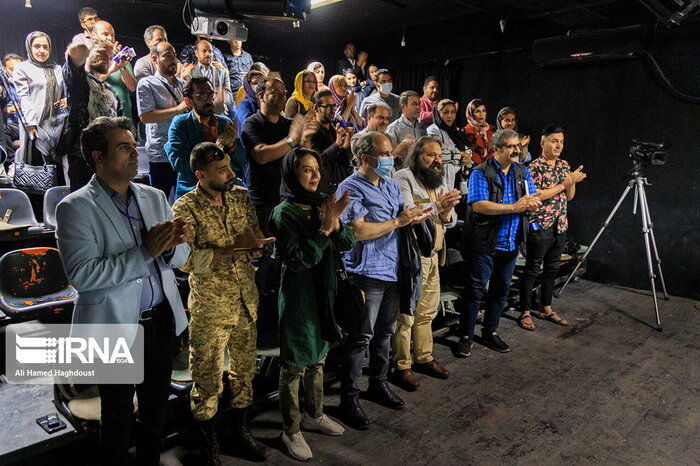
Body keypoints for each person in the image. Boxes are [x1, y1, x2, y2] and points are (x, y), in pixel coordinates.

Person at [55, 116, 190, 465]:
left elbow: (179, 256)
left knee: (156, 410)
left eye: (134, 145)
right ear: (98, 158)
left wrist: (174, 247)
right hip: (114, 327)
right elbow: (84, 276)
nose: (135, 153)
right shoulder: (74, 207)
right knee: (116, 417)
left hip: (159, 321)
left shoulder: (154, 195)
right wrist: (146, 251)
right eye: (123, 147)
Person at [172, 142, 273, 463]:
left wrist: (258, 246)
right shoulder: (185, 208)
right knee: (207, 378)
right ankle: (207, 445)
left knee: (244, 372)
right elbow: (183, 260)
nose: (231, 174)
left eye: (230, 167)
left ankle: (239, 433)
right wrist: (232, 248)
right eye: (222, 170)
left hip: (245, 299)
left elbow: (253, 235)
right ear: (201, 175)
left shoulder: (240, 196)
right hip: (211, 306)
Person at [335, 131, 431, 430]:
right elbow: (359, 232)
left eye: (391, 153)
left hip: (393, 268)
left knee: (385, 332)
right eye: (385, 154)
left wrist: (415, 214)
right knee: (360, 337)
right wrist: (399, 221)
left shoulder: (389, 184)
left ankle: (377, 383)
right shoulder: (349, 189)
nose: (390, 159)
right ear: (365, 158)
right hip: (366, 272)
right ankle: (348, 398)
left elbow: (402, 214)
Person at [269, 147, 354, 461]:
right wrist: (324, 230)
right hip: (298, 297)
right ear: (293, 174)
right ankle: (290, 430)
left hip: (324, 293)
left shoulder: (322, 204)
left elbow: (347, 242)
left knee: (318, 358)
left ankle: (314, 414)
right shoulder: (283, 213)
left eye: (317, 169)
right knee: (293, 366)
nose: (315, 175)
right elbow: (300, 259)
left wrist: (335, 224)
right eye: (306, 169)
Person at [454, 129, 542, 357]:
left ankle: (490, 331)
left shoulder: (522, 171)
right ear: (497, 149)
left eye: (518, 146)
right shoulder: (480, 173)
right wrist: (515, 207)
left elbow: (531, 198)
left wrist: (532, 204)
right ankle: (466, 335)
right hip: (485, 244)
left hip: (511, 243)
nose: (517, 150)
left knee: (501, 290)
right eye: (511, 146)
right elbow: (479, 205)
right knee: (475, 291)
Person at [391, 136, 460, 391]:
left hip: (433, 255)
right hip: (413, 256)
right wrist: (438, 205)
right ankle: (401, 365)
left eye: (439, 156)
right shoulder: (403, 178)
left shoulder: (438, 180)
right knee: (407, 314)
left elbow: (450, 220)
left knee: (428, 312)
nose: (436, 160)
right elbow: (410, 213)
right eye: (430, 155)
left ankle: (423, 357)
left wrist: (446, 210)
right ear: (416, 156)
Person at [518, 124, 586, 331]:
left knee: (552, 268)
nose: (559, 145)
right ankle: (525, 311)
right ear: (542, 142)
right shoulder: (534, 167)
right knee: (532, 268)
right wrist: (566, 183)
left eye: (561, 142)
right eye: (554, 141)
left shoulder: (564, 165)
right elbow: (537, 196)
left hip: (560, 225)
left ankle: (546, 307)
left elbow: (569, 196)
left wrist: (571, 182)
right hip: (540, 225)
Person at [240, 77, 312, 233]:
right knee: (265, 251)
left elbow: (301, 157)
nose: (282, 96)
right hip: (264, 202)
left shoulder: (288, 124)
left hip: (288, 200)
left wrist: (305, 138)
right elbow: (262, 155)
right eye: (276, 92)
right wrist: (292, 139)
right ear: (260, 96)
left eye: (284, 93)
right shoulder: (252, 124)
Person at [62, 39, 122, 191]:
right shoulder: (79, 79)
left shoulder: (109, 89)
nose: (106, 58)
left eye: (109, 56)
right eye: (101, 53)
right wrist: (89, 45)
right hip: (83, 157)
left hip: (108, 156)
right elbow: (76, 53)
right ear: (89, 53)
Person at [165, 76, 239, 198]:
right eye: (202, 96)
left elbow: (240, 161)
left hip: (224, 192)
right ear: (189, 101)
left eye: (211, 95)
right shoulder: (181, 124)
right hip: (192, 192)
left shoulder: (224, 123)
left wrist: (231, 146)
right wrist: (217, 148)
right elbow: (179, 163)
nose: (209, 100)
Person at [136, 42, 187, 198]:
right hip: (161, 154)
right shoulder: (147, 83)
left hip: (182, 152)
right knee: (160, 202)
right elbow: (146, 116)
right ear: (154, 59)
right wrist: (178, 110)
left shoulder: (183, 85)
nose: (173, 60)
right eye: (167, 56)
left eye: (174, 56)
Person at [13, 32, 67, 177]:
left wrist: (67, 99)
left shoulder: (57, 69)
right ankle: (36, 199)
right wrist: (30, 123)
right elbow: (24, 97)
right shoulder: (22, 68)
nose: (41, 50)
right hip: (34, 123)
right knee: (36, 167)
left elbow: (65, 90)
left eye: (45, 47)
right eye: (37, 46)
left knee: (57, 166)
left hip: (56, 124)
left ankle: (57, 197)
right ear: (29, 48)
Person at [91, 21, 137, 122]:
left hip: (125, 118)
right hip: (102, 119)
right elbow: (92, 83)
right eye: (105, 34)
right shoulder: (89, 59)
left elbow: (132, 88)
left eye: (112, 35)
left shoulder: (122, 59)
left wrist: (122, 67)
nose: (110, 38)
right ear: (94, 35)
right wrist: (111, 70)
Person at [310, 89, 353, 195]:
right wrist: (337, 145)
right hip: (323, 191)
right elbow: (317, 161)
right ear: (316, 108)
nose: (333, 109)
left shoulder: (336, 129)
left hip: (343, 187)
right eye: (328, 106)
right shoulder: (310, 131)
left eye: (334, 106)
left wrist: (345, 147)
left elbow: (346, 162)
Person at [426, 98, 472, 189]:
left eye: (453, 112)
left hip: (459, 177)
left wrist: (467, 157)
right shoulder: (433, 131)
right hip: (441, 177)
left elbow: (468, 151)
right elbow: (438, 154)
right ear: (438, 114)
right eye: (446, 112)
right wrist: (460, 155)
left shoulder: (457, 131)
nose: (450, 116)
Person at [186, 39, 233, 115]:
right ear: (196, 53)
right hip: (198, 118)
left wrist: (223, 98)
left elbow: (229, 97)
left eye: (210, 51)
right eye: (204, 51)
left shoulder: (223, 73)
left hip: (218, 116)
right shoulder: (190, 73)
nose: (208, 54)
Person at [462, 98, 496, 165]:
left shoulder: (492, 129)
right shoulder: (466, 131)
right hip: (475, 168)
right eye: (477, 111)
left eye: (483, 111)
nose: (481, 114)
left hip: (493, 167)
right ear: (471, 114)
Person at [1, 53, 23, 155]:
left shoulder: (30, 82)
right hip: (13, 125)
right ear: (5, 69)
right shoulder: (4, 85)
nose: (16, 72)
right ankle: (11, 162)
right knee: (3, 129)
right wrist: (8, 109)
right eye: (12, 69)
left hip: (32, 123)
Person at [235, 69, 265, 137]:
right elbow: (249, 124)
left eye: (261, 82)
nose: (259, 85)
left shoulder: (266, 102)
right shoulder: (244, 104)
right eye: (255, 83)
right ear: (248, 85)